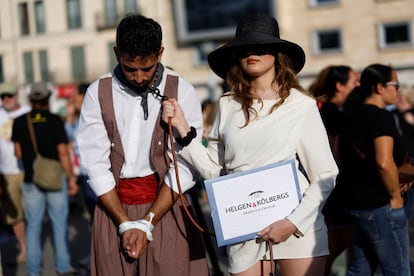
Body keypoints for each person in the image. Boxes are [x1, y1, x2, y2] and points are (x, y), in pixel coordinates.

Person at [162, 13, 338, 276]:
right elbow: (213, 170)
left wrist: (291, 223)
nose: (251, 52)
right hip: (243, 230)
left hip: (297, 227)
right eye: (244, 47)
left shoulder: (301, 105)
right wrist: (183, 128)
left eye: (261, 46)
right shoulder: (227, 104)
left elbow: (325, 174)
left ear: (277, 54)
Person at [77, 14, 209, 276]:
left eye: (146, 69)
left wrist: (149, 220)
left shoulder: (181, 89)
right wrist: (125, 224)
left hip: (166, 206)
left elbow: (185, 165)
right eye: (129, 68)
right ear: (117, 54)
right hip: (114, 209)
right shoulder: (97, 92)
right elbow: (96, 164)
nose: (138, 77)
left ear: (160, 54)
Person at [338, 64, 411, 275]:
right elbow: (384, 162)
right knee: (398, 270)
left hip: (357, 205)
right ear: (380, 87)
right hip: (380, 205)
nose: (398, 91)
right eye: (395, 85)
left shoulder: (351, 115)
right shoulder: (380, 117)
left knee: (360, 268)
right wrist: (396, 197)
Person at [11, 81, 78, 276]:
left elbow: (17, 153)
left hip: (32, 179)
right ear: (48, 99)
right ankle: (63, 267)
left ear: (31, 99)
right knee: (59, 223)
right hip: (55, 179)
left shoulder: (20, 121)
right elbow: (63, 152)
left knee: (33, 225)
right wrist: (71, 178)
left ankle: (33, 271)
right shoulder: (55, 120)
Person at [308, 65, 360, 275]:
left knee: (335, 248)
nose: (359, 85)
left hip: (335, 192)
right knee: (356, 253)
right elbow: (333, 156)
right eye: (354, 81)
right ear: (339, 86)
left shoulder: (332, 111)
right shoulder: (330, 114)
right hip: (338, 191)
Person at [0, 82, 30, 264]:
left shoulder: (27, 112)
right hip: (6, 172)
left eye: (9, 95)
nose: (6, 100)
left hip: (28, 170)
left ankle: (32, 247)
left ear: (16, 95)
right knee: (14, 214)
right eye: (2, 97)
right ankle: (24, 248)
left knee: (32, 213)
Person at [65, 83, 97, 219]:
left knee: (98, 209)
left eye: (76, 96)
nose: (73, 100)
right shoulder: (75, 119)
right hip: (84, 171)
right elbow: (69, 140)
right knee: (92, 210)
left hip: (95, 168)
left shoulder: (92, 114)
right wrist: (70, 116)